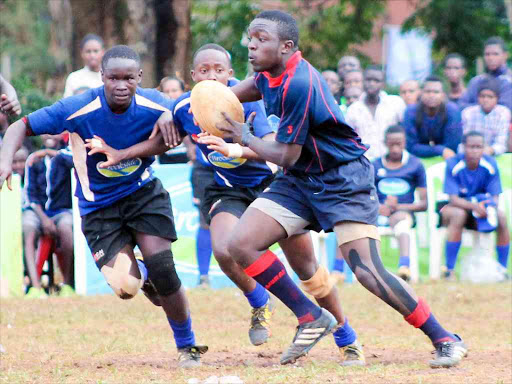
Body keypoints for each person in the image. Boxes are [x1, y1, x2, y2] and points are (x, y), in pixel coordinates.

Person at [208, 10, 466, 368]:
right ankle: (310, 316)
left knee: (367, 272)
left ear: (286, 47)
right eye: (250, 37)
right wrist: (206, 103)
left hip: (343, 180)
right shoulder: (269, 73)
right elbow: (246, 89)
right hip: (301, 179)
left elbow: (286, 153)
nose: (251, 44)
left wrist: (245, 137)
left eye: (261, 38)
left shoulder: (300, 83)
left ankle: (445, 338)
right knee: (240, 244)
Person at [101, 43, 367, 366]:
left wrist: (235, 149)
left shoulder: (247, 104)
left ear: (231, 74)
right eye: (204, 70)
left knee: (308, 270)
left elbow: (272, 147)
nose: (211, 75)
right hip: (228, 190)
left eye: (219, 70)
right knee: (224, 249)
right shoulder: (186, 107)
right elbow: (161, 126)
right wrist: (160, 123)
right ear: (193, 76)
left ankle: (345, 335)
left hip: (274, 187)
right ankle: (259, 301)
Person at [0, 45, 207, 367]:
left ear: (140, 77)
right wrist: (4, 161)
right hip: (98, 209)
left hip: (143, 194)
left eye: (129, 78)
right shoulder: (79, 107)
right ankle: (147, 276)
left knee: (165, 269)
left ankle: (187, 346)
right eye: (113, 78)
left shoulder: (154, 103)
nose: (121, 85)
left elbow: (185, 114)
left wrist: (171, 112)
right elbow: (19, 126)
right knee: (126, 288)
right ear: (102, 77)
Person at [440, 131, 509, 279]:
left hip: (480, 209)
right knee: (459, 214)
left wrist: (486, 207)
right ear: (463, 147)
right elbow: (453, 199)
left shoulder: (490, 163)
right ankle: (449, 270)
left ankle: (502, 270)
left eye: (479, 147)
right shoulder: (453, 163)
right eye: (471, 147)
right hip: (455, 208)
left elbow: (495, 198)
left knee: (501, 217)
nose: (475, 150)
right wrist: (474, 206)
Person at [372, 125, 427, 281]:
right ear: (385, 143)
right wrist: (378, 207)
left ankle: (404, 267)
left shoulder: (415, 165)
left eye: (399, 144)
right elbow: (366, 195)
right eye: (392, 144)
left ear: (405, 143)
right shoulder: (375, 165)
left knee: (401, 222)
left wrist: (397, 207)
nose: (395, 148)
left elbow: (424, 204)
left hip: (404, 213)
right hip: (378, 214)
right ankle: (375, 271)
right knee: (363, 226)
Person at [22, 134, 73, 299]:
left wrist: (51, 153)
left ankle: (67, 285)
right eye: (46, 131)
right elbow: (30, 195)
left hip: (61, 210)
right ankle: (35, 286)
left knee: (67, 227)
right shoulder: (34, 159)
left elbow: (76, 162)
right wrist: (43, 219)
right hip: (38, 211)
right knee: (28, 226)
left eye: (54, 131)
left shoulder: (65, 157)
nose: (49, 134)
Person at [345, 66, 406, 160]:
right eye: (368, 80)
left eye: (376, 80)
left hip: (391, 160)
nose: (371, 83)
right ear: (362, 82)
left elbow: (405, 131)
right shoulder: (353, 109)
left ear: (383, 84)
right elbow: (348, 139)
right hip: (363, 161)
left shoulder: (396, 103)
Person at [404, 75, 462, 159]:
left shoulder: (452, 111)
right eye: (427, 91)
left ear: (443, 95)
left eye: (436, 92)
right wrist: (440, 150)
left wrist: (432, 150)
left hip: (446, 159)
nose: (431, 95)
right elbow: (411, 147)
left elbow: (451, 147)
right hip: (417, 159)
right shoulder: (411, 112)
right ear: (421, 93)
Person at [460, 77, 510, 156]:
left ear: (497, 98)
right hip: (469, 154)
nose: (485, 100)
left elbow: (501, 144)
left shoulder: (503, 113)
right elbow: (463, 141)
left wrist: (488, 151)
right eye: (482, 96)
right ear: (477, 97)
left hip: (494, 155)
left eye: (490, 97)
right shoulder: (467, 113)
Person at [459, 37, 512, 111]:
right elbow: (462, 105)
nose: (490, 58)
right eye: (487, 54)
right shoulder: (476, 81)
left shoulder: (509, 81)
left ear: (505, 55)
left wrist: (474, 108)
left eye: (495, 54)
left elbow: (504, 109)